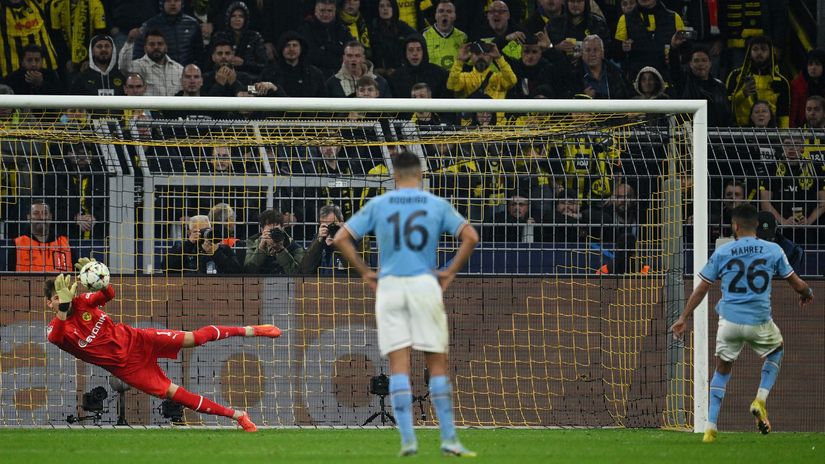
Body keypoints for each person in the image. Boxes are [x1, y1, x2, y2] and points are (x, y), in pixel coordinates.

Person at [333, 150, 479, 457]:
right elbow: (470, 236)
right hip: (424, 284)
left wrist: (365, 272)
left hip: (390, 287)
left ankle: (408, 439)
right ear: (421, 175)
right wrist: (449, 271)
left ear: (395, 177)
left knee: (399, 365)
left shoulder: (379, 204)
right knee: (436, 364)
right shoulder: (435, 203)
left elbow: (341, 238)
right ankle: (449, 439)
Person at [45, 261, 282, 432]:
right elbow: (56, 337)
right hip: (129, 369)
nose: (62, 298)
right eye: (56, 297)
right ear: (49, 303)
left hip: (139, 339)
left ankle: (251, 330)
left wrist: (99, 275)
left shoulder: (82, 302)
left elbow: (109, 293)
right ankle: (238, 416)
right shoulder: (56, 329)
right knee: (177, 394)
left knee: (195, 338)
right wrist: (63, 308)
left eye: (63, 294)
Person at [670, 204, 814, 443]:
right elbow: (796, 282)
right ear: (756, 225)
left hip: (729, 322)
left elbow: (703, 287)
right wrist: (807, 292)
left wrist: (684, 317)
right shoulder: (773, 249)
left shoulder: (723, 251)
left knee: (722, 369)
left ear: (734, 226)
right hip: (759, 320)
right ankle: (760, 399)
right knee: (776, 351)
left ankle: (710, 427)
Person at [11, 200, 73, 273]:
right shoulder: (17, 244)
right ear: (28, 217)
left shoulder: (64, 243)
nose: (41, 217)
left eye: (45, 213)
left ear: (50, 217)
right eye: (36, 213)